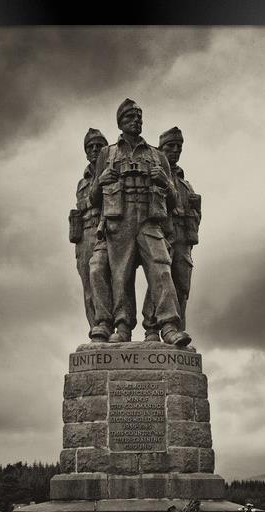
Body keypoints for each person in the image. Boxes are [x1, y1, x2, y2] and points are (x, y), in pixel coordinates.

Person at [89, 99, 191, 346]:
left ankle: (168, 326)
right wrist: (101, 180)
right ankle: (122, 327)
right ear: (120, 123)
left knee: (161, 269)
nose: (136, 122)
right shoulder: (107, 154)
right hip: (119, 221)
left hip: (149, 221)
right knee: (120, 276)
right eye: (130, 118)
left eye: (139, 118)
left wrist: (165, 183)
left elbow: (174, 200)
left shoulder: (157, 156)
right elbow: (94, 200)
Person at [142, 127, 201, 340]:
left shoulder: (186, 184)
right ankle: (151, 328)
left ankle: (177, 328)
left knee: (182, 285)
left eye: (179, 147)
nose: (175, 151)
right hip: (163, 234)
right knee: (159, 280)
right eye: (170, 146)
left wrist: (196, 209)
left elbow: (195, 216)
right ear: (161, 149)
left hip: (183, 240)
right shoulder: (154, 174)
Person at [69, 128, 113, 341]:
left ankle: (112, 326)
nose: (95, 150)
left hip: (108, 231)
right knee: (88, 285)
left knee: (109, 280)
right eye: (90, 146)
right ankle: (97, 329)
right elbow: (83, 205)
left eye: (99, 145)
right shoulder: (82, 182)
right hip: (85, 234)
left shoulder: (112, 172)